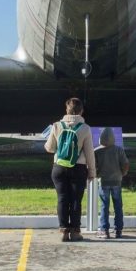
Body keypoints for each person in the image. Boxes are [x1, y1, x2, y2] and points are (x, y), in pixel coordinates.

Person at [44, 97, 96, 242]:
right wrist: (92, 172)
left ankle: (63, 231)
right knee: (75, 200)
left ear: (66, 110)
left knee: (62, 198)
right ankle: (75, 232)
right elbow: (89, 152)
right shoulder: (85, 129)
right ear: (81, 111)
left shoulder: (56, 126)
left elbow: (50, 148)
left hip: (59, 167)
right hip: (78, 168)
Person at [94, 127, 129, 239]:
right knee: (118, 205)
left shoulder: (97, 151)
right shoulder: (119, 150)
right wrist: (122, 174)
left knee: (104, 205)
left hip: (103, 181)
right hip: (117, 181)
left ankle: (104, 230)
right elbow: (126, 164)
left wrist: (97, 174)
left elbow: (94, 167)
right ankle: (118, 230)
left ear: (101, 138)